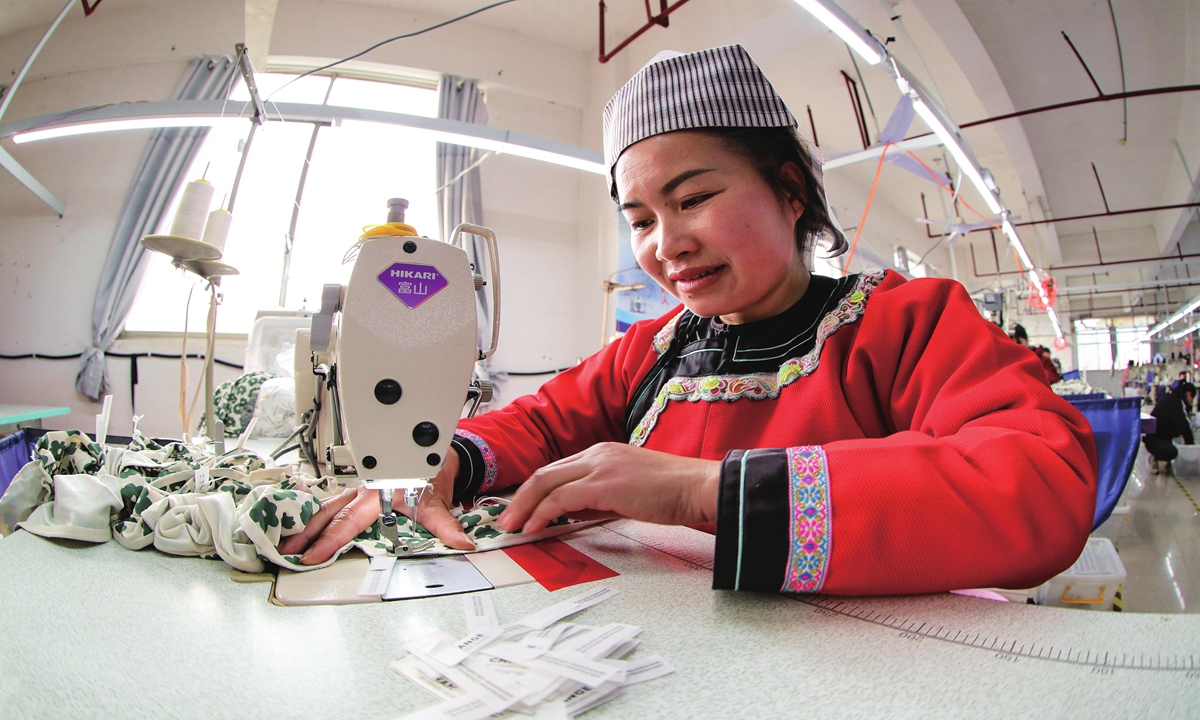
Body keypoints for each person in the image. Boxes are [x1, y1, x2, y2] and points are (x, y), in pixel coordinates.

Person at [281, 45, 1097, 596]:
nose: (666, 245)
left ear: (791, 190)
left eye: (695, 198)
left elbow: (1041, 487)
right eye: (639, 220)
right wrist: (441, 462)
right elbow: (540, 423)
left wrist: (706, 492)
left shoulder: (903, 327)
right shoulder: (653, 351)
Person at [1144, 382, 1195, 473]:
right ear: (1189, 394)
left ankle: (1165, 455)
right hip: (1154, 440)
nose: (1191, 402)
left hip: (1159, 435)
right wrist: (1191, 447)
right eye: (1192, 399)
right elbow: (1183, 425)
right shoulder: (1177, 401)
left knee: (1176, 436)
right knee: (1173, 452)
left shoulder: (1171, 396)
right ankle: (1155, 457)